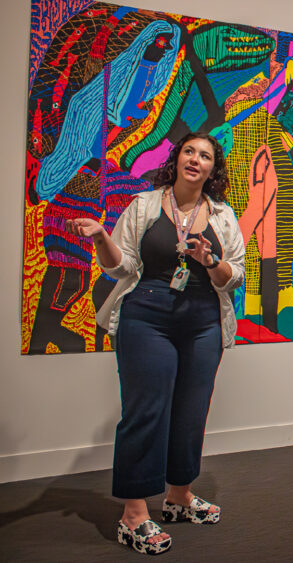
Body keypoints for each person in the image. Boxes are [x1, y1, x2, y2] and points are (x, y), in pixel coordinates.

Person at [66, 132, 246, 555]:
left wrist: (211, 261)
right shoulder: (145, 205)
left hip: (203, 323)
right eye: (189, 151)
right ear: (177, 158)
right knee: (146, 410)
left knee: (191, 410)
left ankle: (179, 496)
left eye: (205, 156)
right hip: (147, 317)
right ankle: (133, 515)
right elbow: (120, 266)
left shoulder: (222, 215)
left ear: (211, 169)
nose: (195, 160)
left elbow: (233, 275)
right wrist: (99, 237)